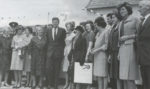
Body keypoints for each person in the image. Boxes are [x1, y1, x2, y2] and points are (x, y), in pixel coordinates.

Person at [117, 2, 141, 89]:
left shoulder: (135, 20)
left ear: (128, 10)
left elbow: (140, 35)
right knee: (124, 77)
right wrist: (119, 52)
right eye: (120, 10)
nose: (121, 11)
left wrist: (128, 37)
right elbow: (119, 39)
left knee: (130, 76)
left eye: (123, 9)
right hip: (122, 50)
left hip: (131, 49)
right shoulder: (121, 23)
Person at [46, 17, 66, 89]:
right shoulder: (48, 30)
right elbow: (47, 42)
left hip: (58, 53)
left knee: (57, 69)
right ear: (52, 22)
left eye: (56, 22)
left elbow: (63, 42)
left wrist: (61, 52)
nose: (55, 23)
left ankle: (55, 85)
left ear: (58, 22)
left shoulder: (62, 30)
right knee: (49, 69)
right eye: (53, 22)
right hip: (50, 53)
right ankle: (49, 84)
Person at [90, 17, 109, 89]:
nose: (95, 26)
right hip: (97, 56)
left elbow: (106, 45)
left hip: (102, 55)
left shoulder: (106, 31)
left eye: (95, 24)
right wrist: (93, 49)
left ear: (98, 24)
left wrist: (96, 50)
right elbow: (97, 44)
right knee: (98, 74)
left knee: (104, 74)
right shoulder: (97, 33)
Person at [137, 0, 150, 89]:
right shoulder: (143, 21)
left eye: (140, 7)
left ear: (148, 7)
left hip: (148, 57)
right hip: (143, 58)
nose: (138, 9)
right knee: (145, 82)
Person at [107, 11, 122, 89]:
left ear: (118, 17)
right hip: (112, 53)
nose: (112, 19)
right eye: (112, 18)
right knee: (114, 74)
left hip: (118, 53)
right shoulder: (113, 27)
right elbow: (110, 41)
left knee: (118, 73)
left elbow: (120, 41)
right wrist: (109, 54)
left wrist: (119, 52)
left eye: (114, 17)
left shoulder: (120, 26)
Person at [62, 22, 75, 89]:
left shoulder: (73, 35)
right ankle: (66, 83)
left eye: (69, 26)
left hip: (71, 52)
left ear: (72, 27)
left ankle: (71, 84)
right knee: (66, 68)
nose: (67, 28)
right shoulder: (66, 35)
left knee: (70, 69)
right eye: (67, 26)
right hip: (66, 52)